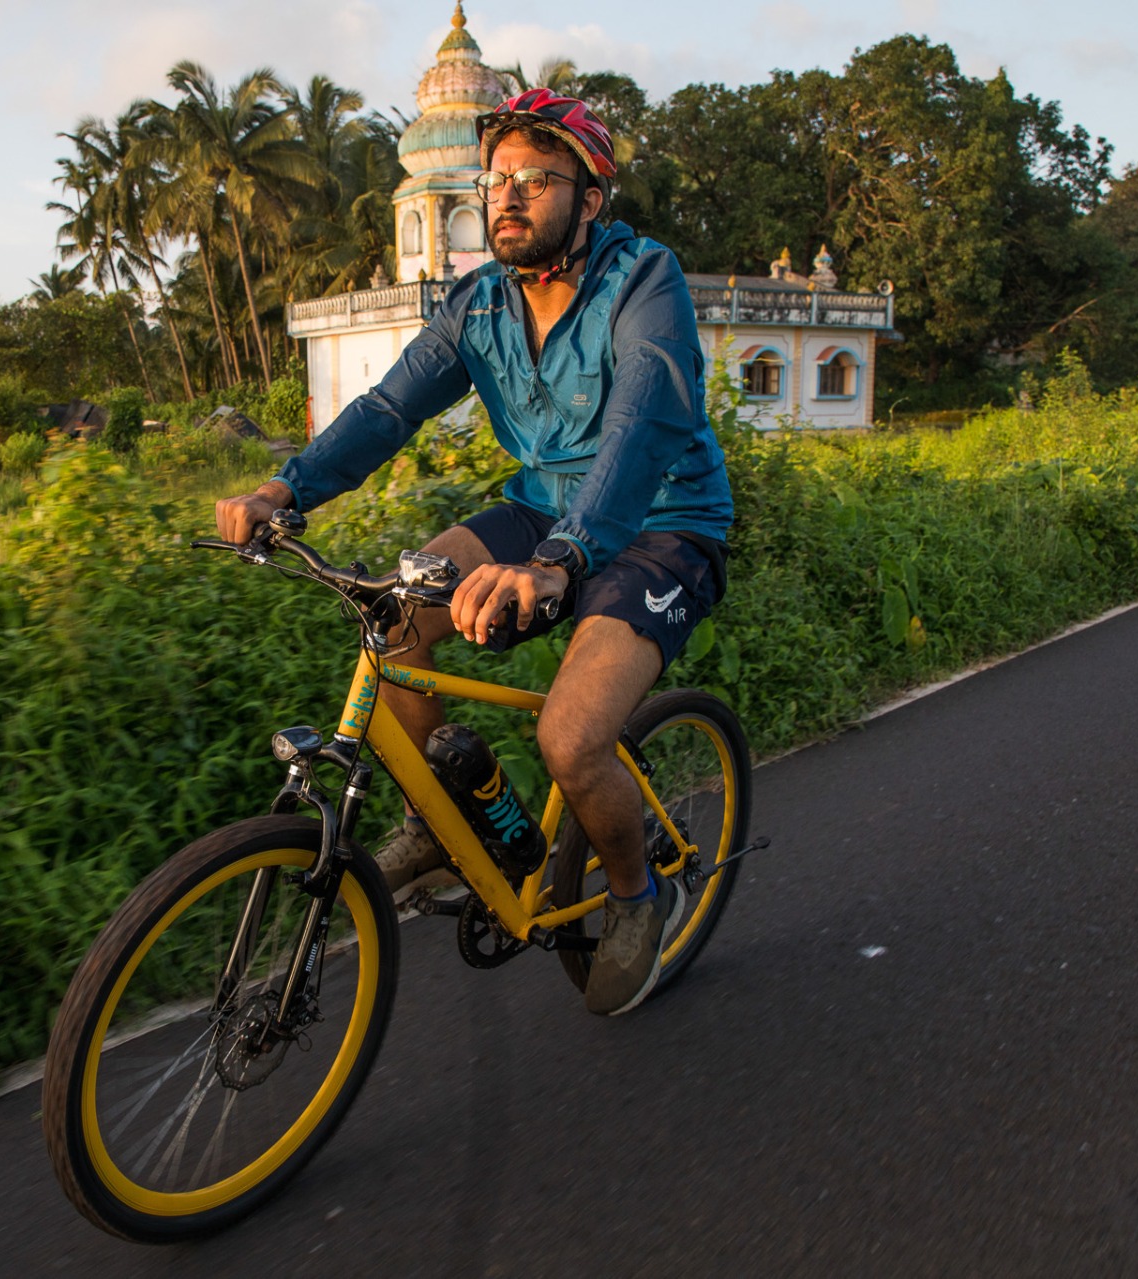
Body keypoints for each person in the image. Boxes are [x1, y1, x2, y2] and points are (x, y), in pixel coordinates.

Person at [215, 89, 732, 1015]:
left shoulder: (642, 280)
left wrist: (561, 560)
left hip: (663, 520)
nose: (508, 196)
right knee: (394, 621)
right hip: (542, 510)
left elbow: (641, 423)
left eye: (537, 178)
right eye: (496, 180)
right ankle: (438, 823)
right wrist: (282, 491)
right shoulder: (480, 302)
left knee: (571, 737)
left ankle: (637, 895)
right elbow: (387, 410)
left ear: (590, 198)